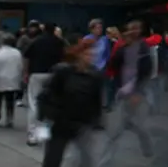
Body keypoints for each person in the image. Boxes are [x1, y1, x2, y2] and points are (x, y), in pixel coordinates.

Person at [38, 38, 104, 167]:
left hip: (82, 123)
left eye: (93, 55)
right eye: (88, 54)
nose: (91, 58)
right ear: (79, 54)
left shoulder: (95, 76)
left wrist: (96, 119)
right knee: (53, 159)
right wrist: (46, 114)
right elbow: (48, 92)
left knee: (87, 159)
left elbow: (97, 100)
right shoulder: (64, 72)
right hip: (61, 121)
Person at [101, 20, 154, 166]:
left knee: (140, 126)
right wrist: (122, 45)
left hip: (138, 94)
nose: (133, 32)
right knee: (115, 131)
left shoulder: (144, 48)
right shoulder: (123, 47)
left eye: (136, 29)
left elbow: (147, 71)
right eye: (130, 29)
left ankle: (147, 147)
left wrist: (138, 91)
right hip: (123, 93)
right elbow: (112, 64)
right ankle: (105, 161)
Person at [24, 22, 66, 146]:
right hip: (54, 75)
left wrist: (25, 73)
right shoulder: (59, 42)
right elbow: (64, 58)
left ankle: (32, 135)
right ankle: (43, 134)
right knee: (49, 104)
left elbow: (26, 57)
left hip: (36, 74)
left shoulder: (36, 41)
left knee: (34, 103)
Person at [0, 33, 23, 128]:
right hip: (13, 79)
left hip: (0, 80)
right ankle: (9, 119)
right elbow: (20, 67)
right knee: (10, 100)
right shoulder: (17, 53)